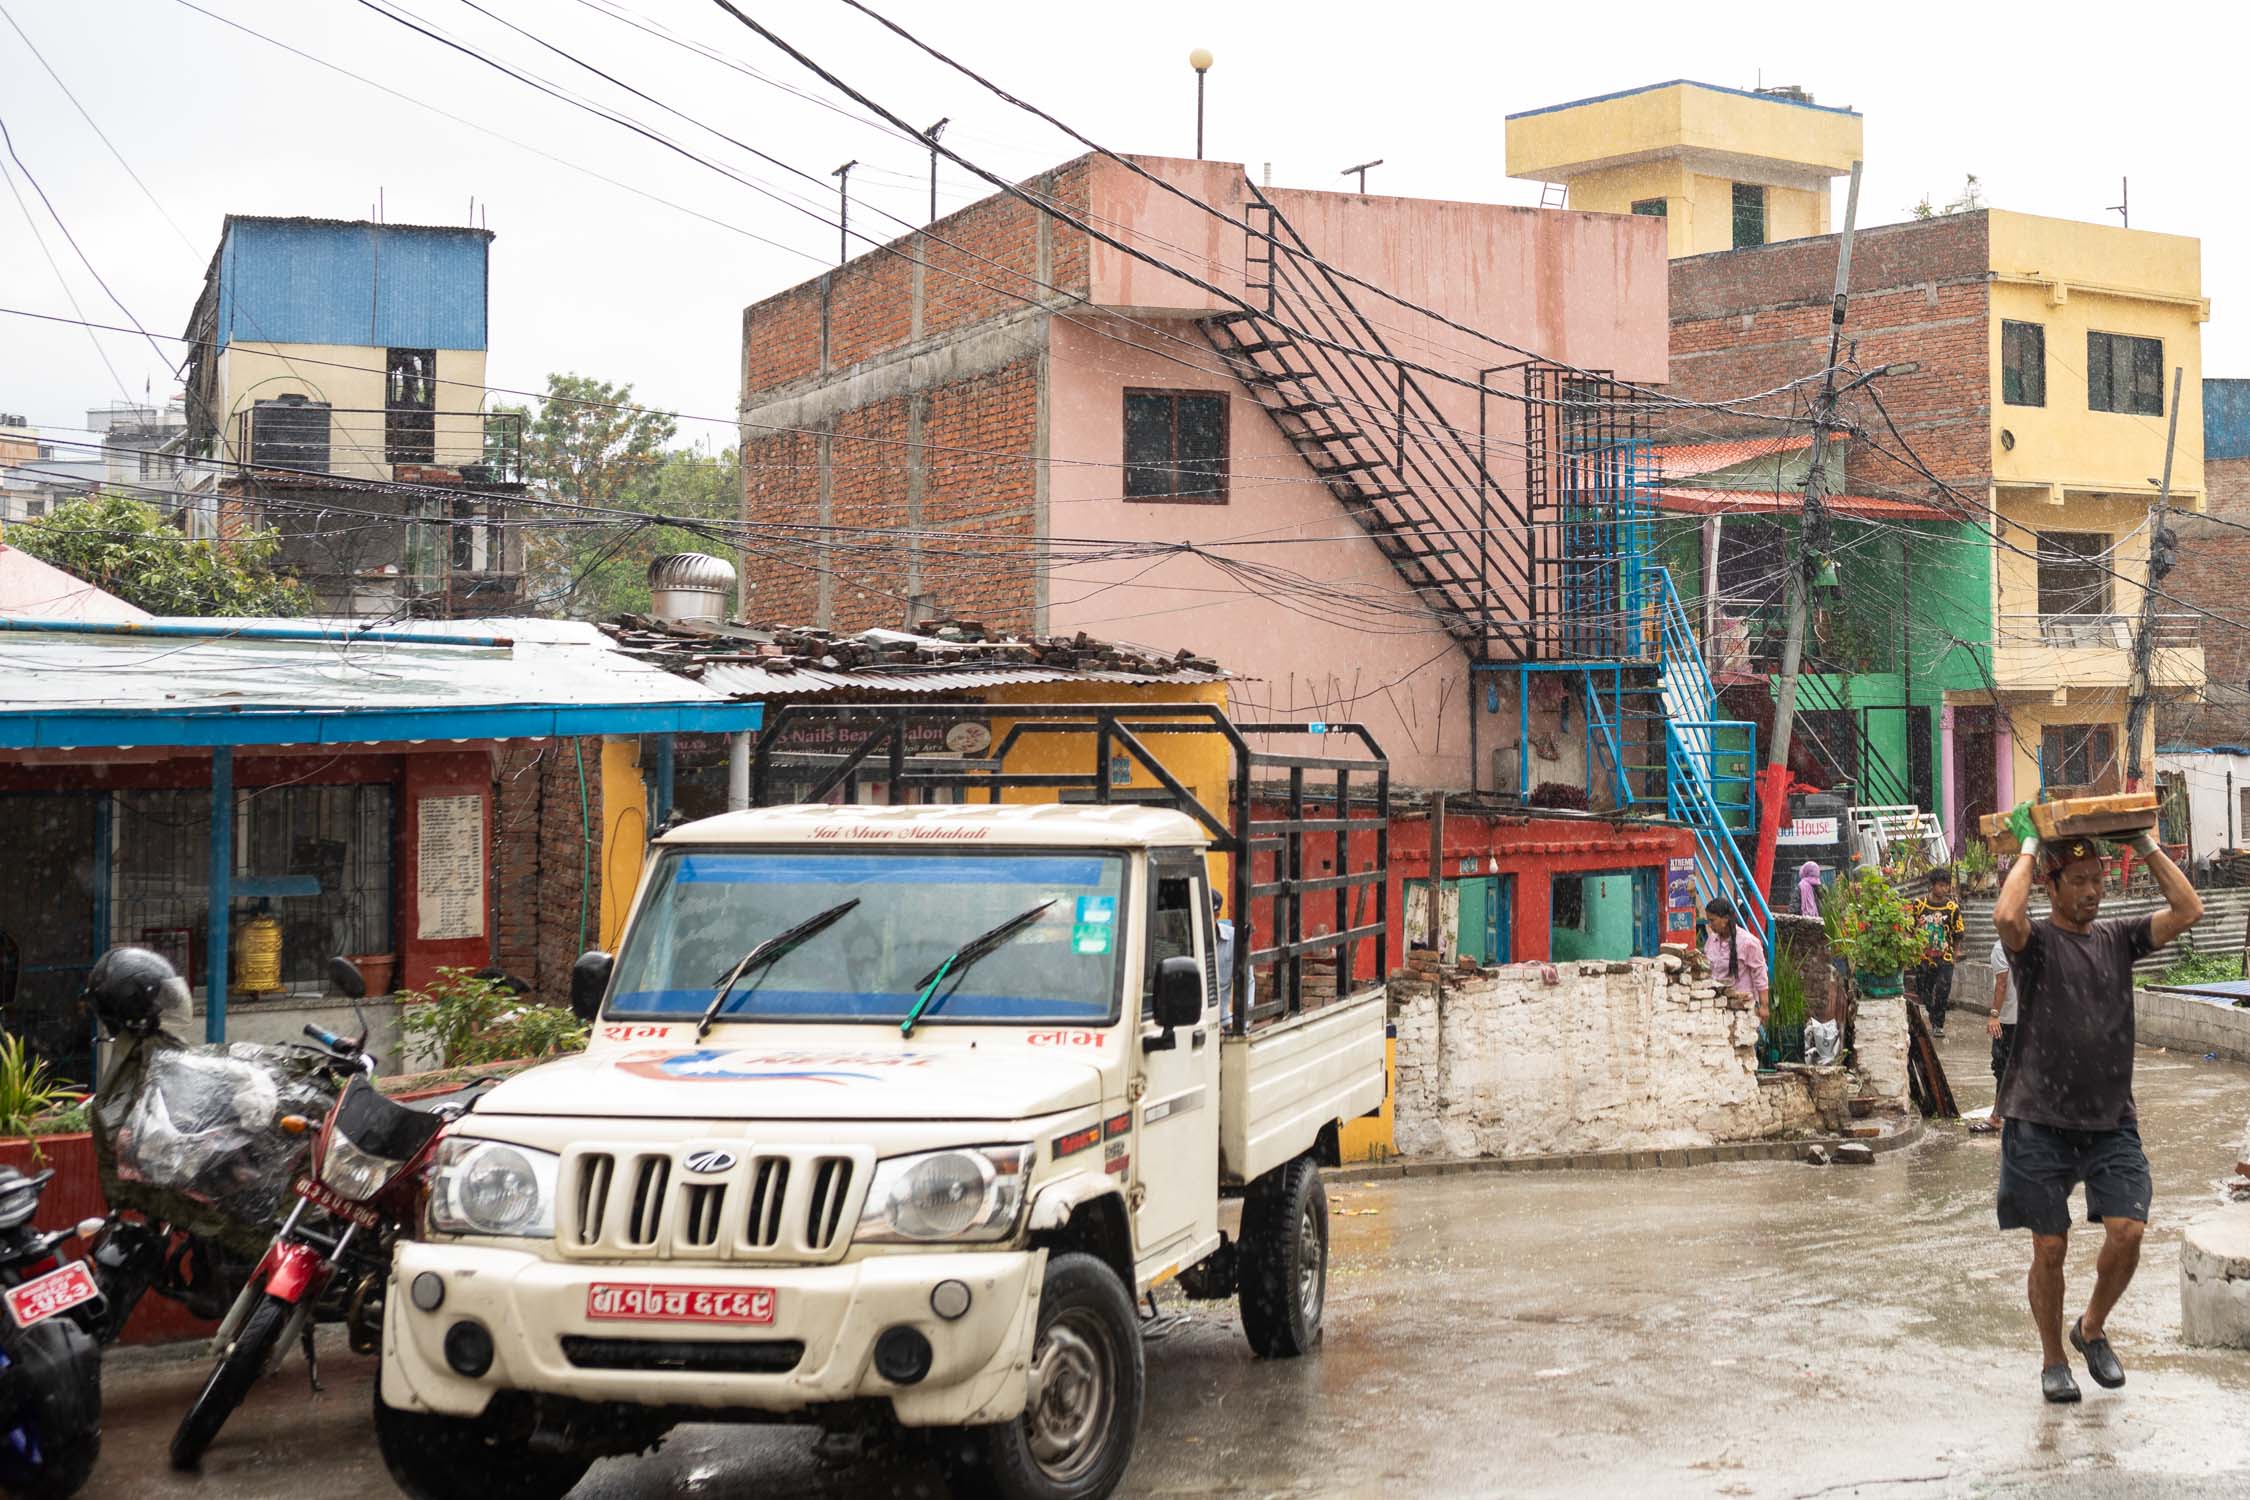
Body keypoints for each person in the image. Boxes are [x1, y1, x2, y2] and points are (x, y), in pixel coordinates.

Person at [1992, 805, 2202, 1404]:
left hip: (2111, 1119)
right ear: (2053, 884)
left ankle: (2089, 1329)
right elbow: (2007, 913)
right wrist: (2030, 846)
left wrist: (2146, 844)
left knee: (2129, 1230)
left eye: (2098, 882)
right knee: (2050, 1245)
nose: (2091, 893)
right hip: (2038, 1116)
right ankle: (2052, 1357)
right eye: (2078, 882)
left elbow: (2189, 911)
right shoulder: (2034, 946)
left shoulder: (2118, 938)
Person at [1910, 868, 1966, 1037]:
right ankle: (1933, 1014)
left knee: (1943, 989)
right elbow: (1910, 929)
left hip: (1945, 956)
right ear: (1932, 885)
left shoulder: (1952, 908)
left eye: (1946, 886)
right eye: (1941, 885)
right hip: (1924, 956)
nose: (1944, 889)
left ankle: (1938, 1024)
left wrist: (1955, 953)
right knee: (1923, 991)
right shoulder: (1919, 905)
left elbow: (1958, 933)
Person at [1975, 937, 2019, 1133]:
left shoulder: (2001, 947)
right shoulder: (2035, 943)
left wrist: (1994, 1015)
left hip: (2009, 1019)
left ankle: (1997, 1116)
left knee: (2002, 1066)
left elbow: (2002, 982)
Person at [1703, 898, 1768, 1024]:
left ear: (1725, 919)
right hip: (1716, 1005)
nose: (1710, 925)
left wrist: (1764, 1007)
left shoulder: (1748, 942)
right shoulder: (1712, 939)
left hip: (1741, 1007)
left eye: (1712, 920)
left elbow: (1760, 976)